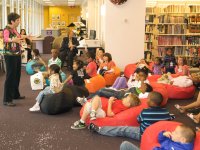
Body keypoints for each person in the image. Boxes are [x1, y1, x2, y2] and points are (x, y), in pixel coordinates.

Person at [88, 92, 175, 140]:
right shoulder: (166, 112)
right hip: (159, 134)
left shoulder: (145, 112)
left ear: (152, 102)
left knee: (122, 129)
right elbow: (168, 119)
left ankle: (100, 129)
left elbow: (138, 120)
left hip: (143, 134)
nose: (146, 100)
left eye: (148, 98)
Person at [71, 93, 141, 129]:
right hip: (101, 108)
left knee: (89, 105)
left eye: (126, 98)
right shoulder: (122, 102)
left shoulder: (122, 107)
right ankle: (92, 112)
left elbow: (109, 114)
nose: (124, 98)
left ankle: (82, 121)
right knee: (96, 97)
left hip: (103, 113)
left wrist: (110, 102)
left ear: (128, 104)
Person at [3, 13, 26, 106]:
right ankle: (7, 99)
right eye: (17, 20)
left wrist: (27, 37)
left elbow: (19, 37)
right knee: (10, 76)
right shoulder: (6, 29)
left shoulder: (14, 29)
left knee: (17, 75)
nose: (19, 22)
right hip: (10, 55)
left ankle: (15, 94)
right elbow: (5, 39)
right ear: (12, 21)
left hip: (16, 54)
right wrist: (13, 40)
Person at [120, 124, 196, 150]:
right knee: (125, 145)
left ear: (182, 139)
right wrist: (163, 134)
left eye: (175, 132)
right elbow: (160, 140)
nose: (172, 132)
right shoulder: (173, 139)